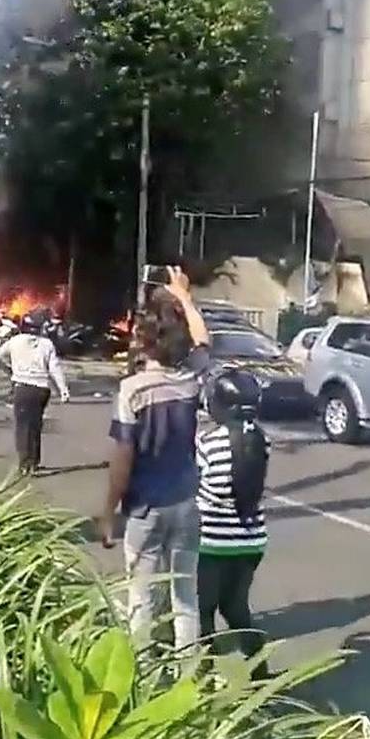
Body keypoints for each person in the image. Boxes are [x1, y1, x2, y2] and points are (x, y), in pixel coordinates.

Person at [100, 269, 210, 656]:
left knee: (141, 595)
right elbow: (203, 339)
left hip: (146, 508)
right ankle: (189, 672)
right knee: (185, 595)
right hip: (186, 503)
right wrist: (184, 297)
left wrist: (109, 511)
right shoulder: (192, 378)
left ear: (145, 343)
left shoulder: (132, 391)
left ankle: (142, 671)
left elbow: (123, 459)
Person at [195, 369, 270, 664]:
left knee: (204, 610)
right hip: (252, 539)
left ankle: (204, 675)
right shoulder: (262, 440)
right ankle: (259, 672)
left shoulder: (208, 442)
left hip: (212, 541)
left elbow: (198, 485)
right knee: (237, 608)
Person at [0, 308, 69, 473]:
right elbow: (54, 368)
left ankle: (25, 464)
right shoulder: (47, 344)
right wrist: (63, 389)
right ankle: (33, 461)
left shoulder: (16, 341)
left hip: (22, 387)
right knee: (35, 424)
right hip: (41, 390)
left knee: (22, 426)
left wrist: (9, 371)